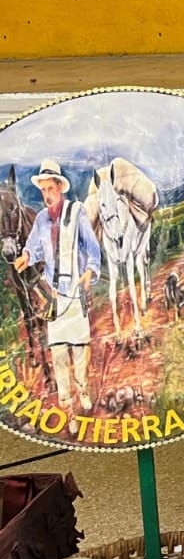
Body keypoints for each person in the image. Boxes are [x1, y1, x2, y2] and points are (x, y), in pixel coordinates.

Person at [17, 161, 99, 416]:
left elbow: (92, 248)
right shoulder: (41, 219)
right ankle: (66, 400)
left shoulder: (77, 213)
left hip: (75, 292)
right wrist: (27, 256)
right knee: (59, 351)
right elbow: (34, 246)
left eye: (50, 188)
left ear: (60, 187)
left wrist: (91, 271)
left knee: (79, 348)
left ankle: (83, 390)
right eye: (43, 190)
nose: (46, 194)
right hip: (55, 295)